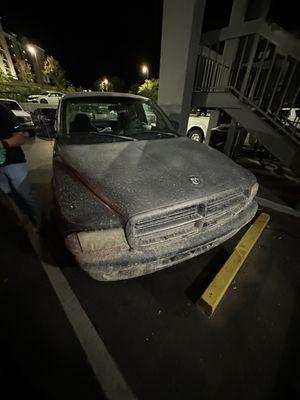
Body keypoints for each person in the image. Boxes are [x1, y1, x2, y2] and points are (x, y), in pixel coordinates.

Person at [0, 103, 41, 228]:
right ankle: (23, 217)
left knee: (24, 193)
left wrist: (3, 144)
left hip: (13, 161)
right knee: (7, 195)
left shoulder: (2, 111)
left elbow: (20, 138)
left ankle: (40, 223)